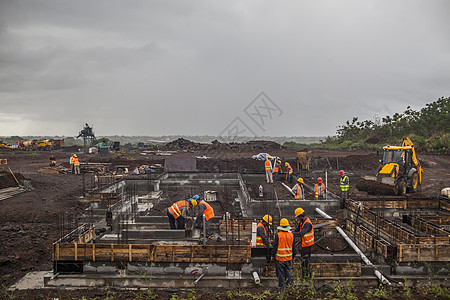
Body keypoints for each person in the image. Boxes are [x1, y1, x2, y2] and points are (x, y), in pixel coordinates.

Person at [271, 218, 296, 288]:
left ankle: (281, 287)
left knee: (280, 273)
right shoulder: (292, 235)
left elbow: (275, 247)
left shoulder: (278, 235)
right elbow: (294, 248)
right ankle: (288, 287)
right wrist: (293, 256)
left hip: (280, 258)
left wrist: (272, 255)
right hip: (288, 258)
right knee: (288, 273)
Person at [293, 207, 314, 278]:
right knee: (303, 261)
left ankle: (308, 276)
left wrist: (289, 234)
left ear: (300, 216)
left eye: (298, 217)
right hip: (304, 244)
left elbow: (301, 233)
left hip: (307, 245)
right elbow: (296, 231)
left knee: (306, 261)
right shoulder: (301, 222)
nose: (298, 219)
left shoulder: (307, 224)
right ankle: (305, 275)